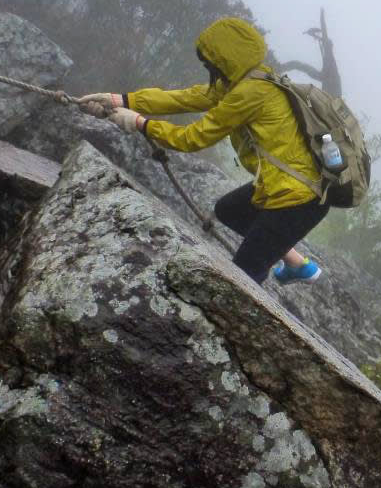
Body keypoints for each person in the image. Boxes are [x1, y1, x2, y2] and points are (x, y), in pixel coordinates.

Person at [79, 17, 327, 286]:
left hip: (299, 199)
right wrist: (120, 100)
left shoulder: (250, 93)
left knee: (243, 277)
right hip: (287, 186)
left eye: (210, 62)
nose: (208, 68)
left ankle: (247, 309)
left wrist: (139, 122)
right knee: (230, 210)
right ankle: (297, 264)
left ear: (227, 58)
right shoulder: (246, 82)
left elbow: (193, 138)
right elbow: (185, 98)